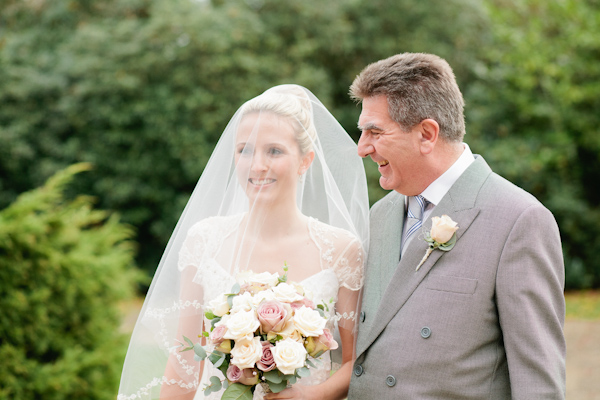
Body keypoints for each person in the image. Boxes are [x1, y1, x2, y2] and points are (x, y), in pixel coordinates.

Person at [118, 84, 369, 400]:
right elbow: (184, 362)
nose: (257, 165)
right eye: (244, 150)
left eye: (274, 151)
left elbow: (354, 362)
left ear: (305, 160)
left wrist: (313, 395)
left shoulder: (342, 250)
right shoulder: (204, 240)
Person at [347, 53, 566, 399]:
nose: (362, 148)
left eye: (375, 132)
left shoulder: (520, 221)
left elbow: (538, 385)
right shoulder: (379, 214)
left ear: (427, 134)